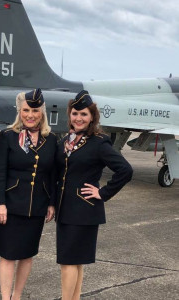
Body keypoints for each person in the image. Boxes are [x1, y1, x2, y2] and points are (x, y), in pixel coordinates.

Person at [55, 90, 133, 300]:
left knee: (68, 262)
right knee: (75, 260)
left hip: (83, 210)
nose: (78, 118)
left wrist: (103, 192)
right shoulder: (65, 141)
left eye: (84, 114)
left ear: (92, 118)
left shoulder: (99, 142)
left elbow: (125, 170)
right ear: (69, 115)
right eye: (75, 113)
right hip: (66, 210)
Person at [0, 88, 57, 300]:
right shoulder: (8, 136)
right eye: (26, 110)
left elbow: (53, 175)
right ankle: (5, 297)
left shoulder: (52, 139)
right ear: (20, 111)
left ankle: (17, 296)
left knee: (27, 255)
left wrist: (51, 203)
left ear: (42, 113)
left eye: (35, 110)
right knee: (8, 256)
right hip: (10, 206)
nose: (30, 115)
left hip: (37, 206)